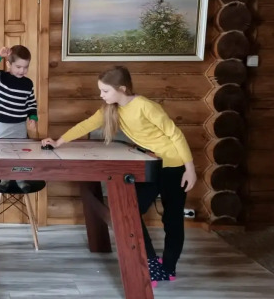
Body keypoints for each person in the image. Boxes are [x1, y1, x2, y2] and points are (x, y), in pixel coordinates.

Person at [41, 66, 196, 284]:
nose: (101, 95)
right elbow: (87, 124)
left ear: (122, 89)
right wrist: (58, 142)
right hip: (152, 165)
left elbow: (175, 134)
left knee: (172, 219)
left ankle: (169, 268)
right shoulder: (110, 109)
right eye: (101, 91)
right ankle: (151, 262)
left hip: (173, 166)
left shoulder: (145, 106)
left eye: (105, 91)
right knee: (131, 210)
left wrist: (190, 169)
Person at [0, 45, 38, 190]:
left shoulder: (28, 84)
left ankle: (21, 180)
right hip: (3, 126)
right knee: (3, 154)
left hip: (20, 126)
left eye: (25, 67)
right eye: (18, 67)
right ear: (8, 64)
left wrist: (33, 117)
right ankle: (4, 180)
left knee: (21, 154)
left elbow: (31, 102)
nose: (22, 71)